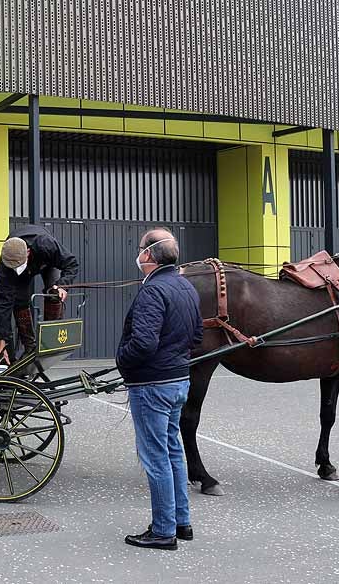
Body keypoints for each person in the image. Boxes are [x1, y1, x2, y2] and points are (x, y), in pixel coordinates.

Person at [116, 229, 202, 550]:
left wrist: (122, 361)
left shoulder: (153, 291)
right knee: (173, 451)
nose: (137, 254)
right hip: (179, 381)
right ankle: (182, 522)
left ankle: (164, 531)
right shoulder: (185, 286)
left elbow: (143, 342)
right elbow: (196, 338)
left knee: (156, 458)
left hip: (152, 385)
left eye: (140, 249)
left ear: (149, 255)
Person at [0, 224, 79, 373]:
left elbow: (71, 263)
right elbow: (2, 304)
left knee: (54, 294)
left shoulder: (46, 245)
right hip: (23, 264)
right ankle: (30, 347)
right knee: (18, 300)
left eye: (18, 264)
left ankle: (49, 343)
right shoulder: (7, 264)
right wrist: (2, 340)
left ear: (28, 251)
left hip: (46, 261)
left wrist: (63, 285)